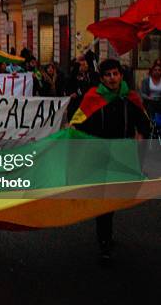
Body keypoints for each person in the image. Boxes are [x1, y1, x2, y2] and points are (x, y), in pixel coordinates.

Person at [72, 59, 151, 266]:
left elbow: (145, 124)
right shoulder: (92, 98)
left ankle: (107, 235)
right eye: (108, 75)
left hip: (122, 156)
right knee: (104, 201)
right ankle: (104, 243)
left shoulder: (130, 98)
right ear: (102, 78)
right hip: (99, 156)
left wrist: (141, 136)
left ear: (121, 76)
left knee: (114, 198)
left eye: (115, 74)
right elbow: (77, 125)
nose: (112, 78)